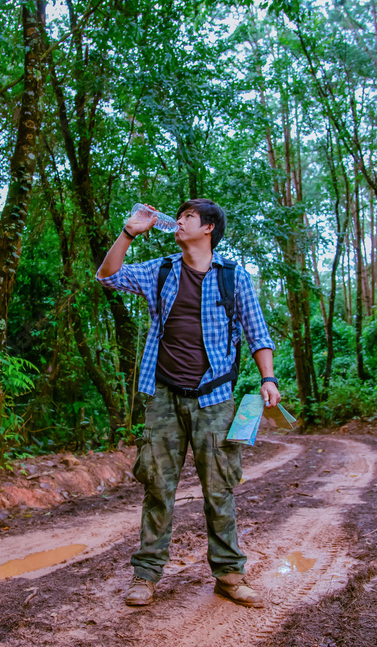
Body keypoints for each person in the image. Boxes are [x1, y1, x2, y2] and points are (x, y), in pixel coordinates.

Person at [96, 198, 282, 608]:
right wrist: (129, 232)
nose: (178, 223)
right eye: (177, 217)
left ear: (209, 228)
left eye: (188, 218)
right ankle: (145, 577)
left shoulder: (234, 278)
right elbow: (107, 277)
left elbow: (258, 333)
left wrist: (268, 379)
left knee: (220, 489)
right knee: (157, 488)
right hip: (163, 396)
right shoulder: (161, 270)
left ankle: (230, 576)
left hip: (215, 399)